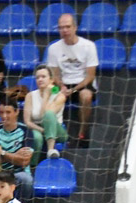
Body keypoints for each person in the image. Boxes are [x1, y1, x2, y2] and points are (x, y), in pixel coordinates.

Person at [47, 13, 97, 146]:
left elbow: (90, 76)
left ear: (75, 27)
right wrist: (62, 87)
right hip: (63, 84)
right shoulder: (53, 48)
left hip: (83, 84)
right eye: (61, 28)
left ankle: (82, 134)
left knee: (86, 96)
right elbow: (54, 75)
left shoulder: (89, 46)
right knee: (50, 91)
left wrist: (74, 89)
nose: (64, 30)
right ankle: (53, 134)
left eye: (67, 27)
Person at [0, 98, 34, 203]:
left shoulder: (26, 131)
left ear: (17, 112)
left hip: (18, 173)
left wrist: (1, 153)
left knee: (27, 180)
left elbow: (24, 161)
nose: (4, 116)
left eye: (8, 112)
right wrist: (15, 156)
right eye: (1, 112)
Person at [23, 65, 67, 167]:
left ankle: (51, 149)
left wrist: (47, 94)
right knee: (37, 138)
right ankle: (32, 165)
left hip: (57, 131)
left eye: (43, 76)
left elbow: (46, 115)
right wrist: (42, 130)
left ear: (51, 80)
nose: (40, 79)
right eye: (37, 77)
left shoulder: (60, 96)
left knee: (49, 114)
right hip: (36, 128)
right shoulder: (30, 96)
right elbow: (27, 121)